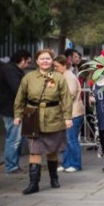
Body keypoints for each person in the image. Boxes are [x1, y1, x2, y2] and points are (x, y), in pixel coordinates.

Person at [13, 49, 72, 194]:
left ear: (52, 61)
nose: (45, 61)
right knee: (34, 150)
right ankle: (34, 183)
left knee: (52, 150)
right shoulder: (29, 77)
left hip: (53, 116)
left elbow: (66, 98)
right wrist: (17, 114)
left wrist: (68, 117)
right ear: (37, 61)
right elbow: (20, 97)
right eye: (42, 58)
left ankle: (54, 178)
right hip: (32, 116)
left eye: (48, 58)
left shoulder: (58, 77)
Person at [0, 49, 31, 173]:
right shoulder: (10, 70)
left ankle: (13, 164)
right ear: (22, 60)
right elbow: (17, 89)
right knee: (14, 138)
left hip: (12, 109)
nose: (28, 65)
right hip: (11, 110)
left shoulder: (12, 69)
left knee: (17, 138)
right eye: (28, 62)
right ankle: (11, 166)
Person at [53, 55, 84, 172]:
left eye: (57, 66)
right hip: (68, 113)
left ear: (64, 65)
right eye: (54, 66)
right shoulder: (63, 75)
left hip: (73, 113)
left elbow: (69, 94)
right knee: (66, 140)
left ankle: (75, 164)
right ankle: (66, 163)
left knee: (71, 139)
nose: (55, 68)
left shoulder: (69, 77)